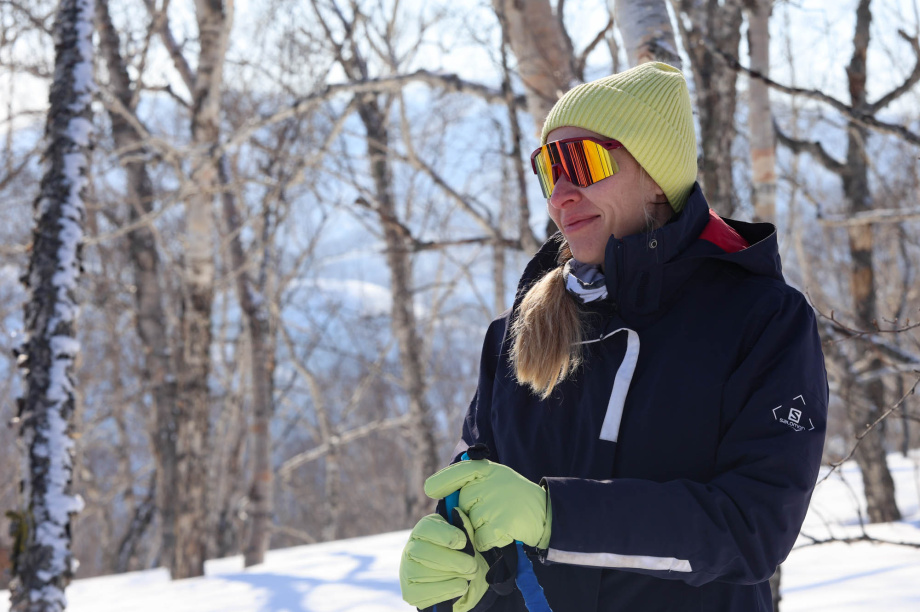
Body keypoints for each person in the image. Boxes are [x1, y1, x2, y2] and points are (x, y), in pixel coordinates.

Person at [399, 61, 828, 612]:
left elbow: (753, 530)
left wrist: (557, 516)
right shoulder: (513, 338)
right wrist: (452, 578)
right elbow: (475, 512)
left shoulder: (762, 320)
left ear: (655, 175)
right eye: (548, 170)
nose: (561, 194)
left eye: (582, 161)